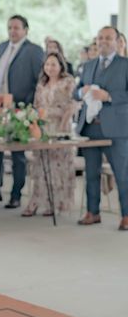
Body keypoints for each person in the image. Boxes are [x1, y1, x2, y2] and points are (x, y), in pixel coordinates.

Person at [0, 14, 44, 208]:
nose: (12, 31)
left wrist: (28, 107)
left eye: (16, 28)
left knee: (17, 155)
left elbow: (39, 80)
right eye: (10, 28)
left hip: (18, 108)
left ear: (25, 30)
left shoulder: (34, 50)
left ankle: (16, 194)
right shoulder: (3, 46)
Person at [75, 26, 128, 231]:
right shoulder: (88, 66)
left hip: (117, 130)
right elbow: (75, 92)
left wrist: (109, 97)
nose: (103, 41)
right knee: (91, 173)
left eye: (108, 38)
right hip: (90, 129)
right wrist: (81, 92)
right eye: (100, 38)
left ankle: (126, 215)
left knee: (122, 173)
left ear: (116, 41)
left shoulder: (125, 65)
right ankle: (92, 212)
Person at [22, 53, 77, 216]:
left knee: (57, 165)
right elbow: (36, 105)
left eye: (53, 64)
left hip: (60, 127)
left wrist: (60, 126)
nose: (50, 68)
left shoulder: (68, 82)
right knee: (40, 165)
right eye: (47, 64)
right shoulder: (42, 84)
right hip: (43, 128)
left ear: (61, 65)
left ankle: (55, 203)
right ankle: (36, 200)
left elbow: (70, 105)